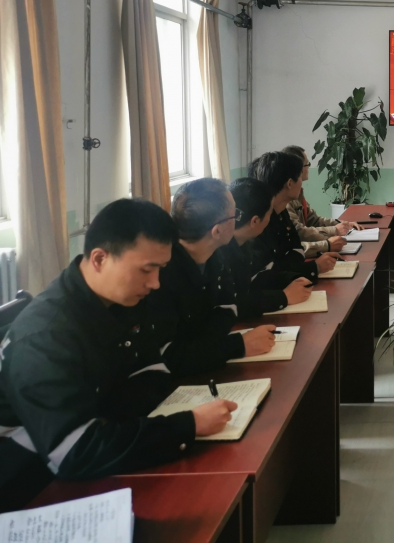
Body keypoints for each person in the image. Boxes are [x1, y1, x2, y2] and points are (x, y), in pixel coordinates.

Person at [0, 199, 236, 511]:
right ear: (100, 259)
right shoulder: (45, 337)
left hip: (93, 456)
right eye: (146, 270)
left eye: (161, 269)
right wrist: (187, 425)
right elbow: (74, 453)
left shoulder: (123, 298)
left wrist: (110, 425)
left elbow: (153, 372)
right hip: (28, 484)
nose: (155, 283)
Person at [145, 178, 278, 376]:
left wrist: (208, 347)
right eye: (235, 214)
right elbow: (170, 356)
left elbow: (228, 307)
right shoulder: (162, 274)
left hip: (205, 367)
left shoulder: (216, 255)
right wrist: (236, 345)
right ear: (217, 230)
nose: (238, 219)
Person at [222, 176, 314, 318]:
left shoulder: (244, 244)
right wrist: (284, 297)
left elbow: (258, 278)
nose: (271, 219)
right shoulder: (220, 251)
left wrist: (294, 279)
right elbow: (231, 303)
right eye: (270, 214)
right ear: (255, 221)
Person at [249, 151, 340, 280]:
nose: (302, 183)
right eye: (299, 177)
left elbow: (296, 251)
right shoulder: (261, 220)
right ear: (290, 183)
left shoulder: (282, 211)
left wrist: (294, 266)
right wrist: (313, 267)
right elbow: (269, 270)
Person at [281, 146, 361, 255]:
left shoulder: (297, 193)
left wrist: (342, 224)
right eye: (307, 164)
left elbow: (313, 220)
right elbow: (298, 232)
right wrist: (333, 233)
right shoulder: (285, 200)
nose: (309, 167)